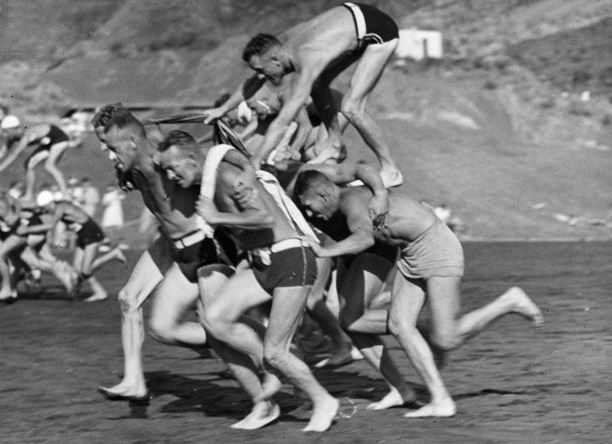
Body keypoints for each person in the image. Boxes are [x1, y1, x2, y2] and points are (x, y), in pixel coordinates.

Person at [294, 170, 544, 418]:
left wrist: (324, 252)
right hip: (410, 252)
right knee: (399, 324)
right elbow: (361, 166)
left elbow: (365, 238)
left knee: (446, 339)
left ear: (324, 193)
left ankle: (509, 302)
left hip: (436, 247)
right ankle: (440, 400)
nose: (309, 213)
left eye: (309, 206)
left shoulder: (352, 204)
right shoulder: (336, 193)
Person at [156, 135, 339, 432]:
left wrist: (217, 216)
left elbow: (264, 218)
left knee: (276, 352)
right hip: (263, 262)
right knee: (214, 319)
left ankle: (323, 400)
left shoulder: (224, 176)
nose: (170, 175)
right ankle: (274, 370)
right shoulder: (210, 181)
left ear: (192, 159)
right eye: (164, 170)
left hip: (290, 258)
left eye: (172, 168)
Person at [95, 108, 235, 401]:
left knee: (219, 328)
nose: (106, 154)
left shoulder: (157, 151)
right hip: (169, 242)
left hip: (200, 243)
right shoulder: (129, 162)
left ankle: (257, 342)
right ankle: (134, 381)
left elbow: (170, 136)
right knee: (130, 300)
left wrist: (212, 116)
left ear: (131, 140)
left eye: (109, 147)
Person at [203, 3, 403, 187]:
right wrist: (223, 108)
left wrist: (257, 158)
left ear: (276, 61)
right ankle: (334, 143)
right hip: (356, 20)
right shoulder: (280, 45)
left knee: (351, 107)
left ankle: (391, 170)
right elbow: (252, 83)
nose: (262, 76)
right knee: (318, 86)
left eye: (263, 70)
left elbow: (282, 121)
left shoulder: (305, 60)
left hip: (379, 31)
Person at [18, 195, 126, 302]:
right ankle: (96, 290)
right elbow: (37, 211)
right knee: (77, 269)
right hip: (82, 235)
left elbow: (51, 225)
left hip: (91, 233)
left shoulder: (61, 207)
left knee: (85, 271)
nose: (44, 210)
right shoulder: (55, 207)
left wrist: (27, 229)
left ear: (50, 203)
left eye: (45, 207)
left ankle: (110, 264)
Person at [0, 192, 77, 301]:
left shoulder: (3, 195)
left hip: (16, 232)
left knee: (2, 256)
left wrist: (16, 217)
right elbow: (17, 203)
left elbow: (16, 203)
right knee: (31, 263)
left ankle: (8, 289)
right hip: (11, 233)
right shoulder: (4, 195)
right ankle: (65, 276)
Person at [0, 115, 86, 202]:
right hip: (48, 142)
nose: (4, 134)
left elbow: (14, 154)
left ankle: (65, 195)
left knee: (49, 166)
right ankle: (28, 196)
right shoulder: (13, 137)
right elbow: (2, 152)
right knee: (29, 164)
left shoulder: (26, 136)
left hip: (60, 139)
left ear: (13, 129)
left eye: (6, 132)